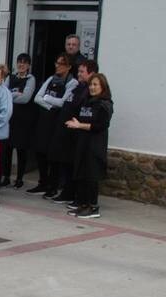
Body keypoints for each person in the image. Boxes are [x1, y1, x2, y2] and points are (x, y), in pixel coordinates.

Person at [64, 72, 114, 219]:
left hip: (95, 146)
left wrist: (80, 125)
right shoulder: (86, 101)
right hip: (82, 143)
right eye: (90, 84)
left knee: (91, 176)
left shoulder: (105, 104)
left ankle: (93, 207)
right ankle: (83, 204)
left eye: (95, 85)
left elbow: (100, 125)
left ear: (103, 87)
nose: (92, 87)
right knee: (82, 174)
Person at [47, 58, 97, 203]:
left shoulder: (88, 91)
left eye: (82, 72)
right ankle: (67, 193)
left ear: (92, 73)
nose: (79, 74)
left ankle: (73, 195)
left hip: (76, 134)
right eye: (79, 71)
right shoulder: (78, 87)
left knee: (73, 166)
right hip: (65, 132)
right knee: (65, 164)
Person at [29, 54, 77, 195]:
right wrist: (50, 105)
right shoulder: (51, 78)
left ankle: (53, 185)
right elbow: (37, 98)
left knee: (54, 155)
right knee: (40, 152)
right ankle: (42, 182)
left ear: (68, 67)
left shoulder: (72, 82)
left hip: (58, 122)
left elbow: (63, 102)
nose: (57, 65)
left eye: (61, 64)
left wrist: (47, 98)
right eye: (57, 62)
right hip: (45, 119)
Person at [5, 54, 37, 188]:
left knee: (21, 150)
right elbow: (4, 95)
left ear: (29, 65)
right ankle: (5, 176)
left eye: (24, 63)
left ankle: (19, 178)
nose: (21, 65)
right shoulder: (10, 78)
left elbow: (25, 98)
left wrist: (10, 96)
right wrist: (16, 94)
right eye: (19, 62)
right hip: (10, 118)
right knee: (7, 149)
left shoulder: (31, 79)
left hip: (23, 120)